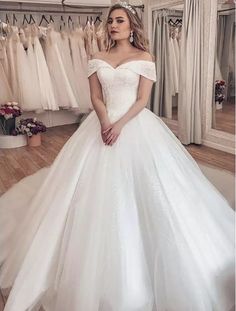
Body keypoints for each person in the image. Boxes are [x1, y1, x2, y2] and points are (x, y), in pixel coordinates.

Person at [0, 2, 235, 311]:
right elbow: (95, 97)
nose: (113, 25)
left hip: (135, 124)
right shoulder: (96, 57)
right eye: (110, 20)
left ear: (132, 25)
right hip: (103, 124)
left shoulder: (144, 58)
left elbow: (142, 100)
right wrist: (105, 121)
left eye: (119, 20)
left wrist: (120, 124)